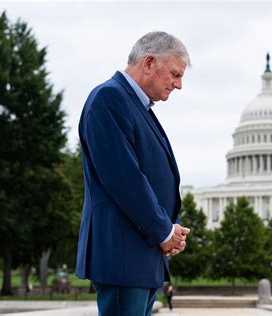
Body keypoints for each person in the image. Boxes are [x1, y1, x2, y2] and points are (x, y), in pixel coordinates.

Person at [75, 31, 191, 316]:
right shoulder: (109, 98)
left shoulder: (138, 107)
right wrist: (164, 231)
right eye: (175, 74)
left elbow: (153, 177)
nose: (179, 85)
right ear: (149, 62)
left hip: (141, 256)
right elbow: (124, 179)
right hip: (122, 256)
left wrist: (170, 231)